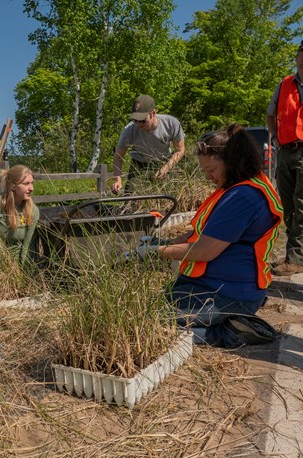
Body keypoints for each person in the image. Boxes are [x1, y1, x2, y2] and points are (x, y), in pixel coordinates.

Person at [139, 125, 283, 348]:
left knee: (146, 322)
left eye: (212, 170)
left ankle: (227, 333)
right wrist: (166, 243)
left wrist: (152, 252)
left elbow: (204, 251)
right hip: (211, 286)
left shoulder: (243, 197)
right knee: (146, 311)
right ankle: (226, 320)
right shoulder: (236, 188)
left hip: (227, 293)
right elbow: (203, 232)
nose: (208, 177)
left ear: (232, 161)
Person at [266, 40, 303, 275]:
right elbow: (271, 114)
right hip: (286, 151)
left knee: (302, 205)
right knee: (288, 205)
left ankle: (297, 259)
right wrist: (275, 138)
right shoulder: (285, 84)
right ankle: (293, 253)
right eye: (302, 52)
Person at [112, 95, 186, 194]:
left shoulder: (171, 124)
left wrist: (166, 168)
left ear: (153, 113)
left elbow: (180, 150)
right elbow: (118, 157)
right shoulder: (129, 130)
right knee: (131, 197)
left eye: (142, 120)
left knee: (170, 195)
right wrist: (118, 180)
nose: (138, 124)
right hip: (139, 165)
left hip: (164, 161)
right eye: (135, 120)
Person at [0, 164, 39, 266]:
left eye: (32, 183)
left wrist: (25, 276)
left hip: (21, 265)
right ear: (13, 185)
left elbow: (28, 248)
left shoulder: (33, 210)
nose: (31, 188)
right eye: (26, 184)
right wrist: (8, 272)